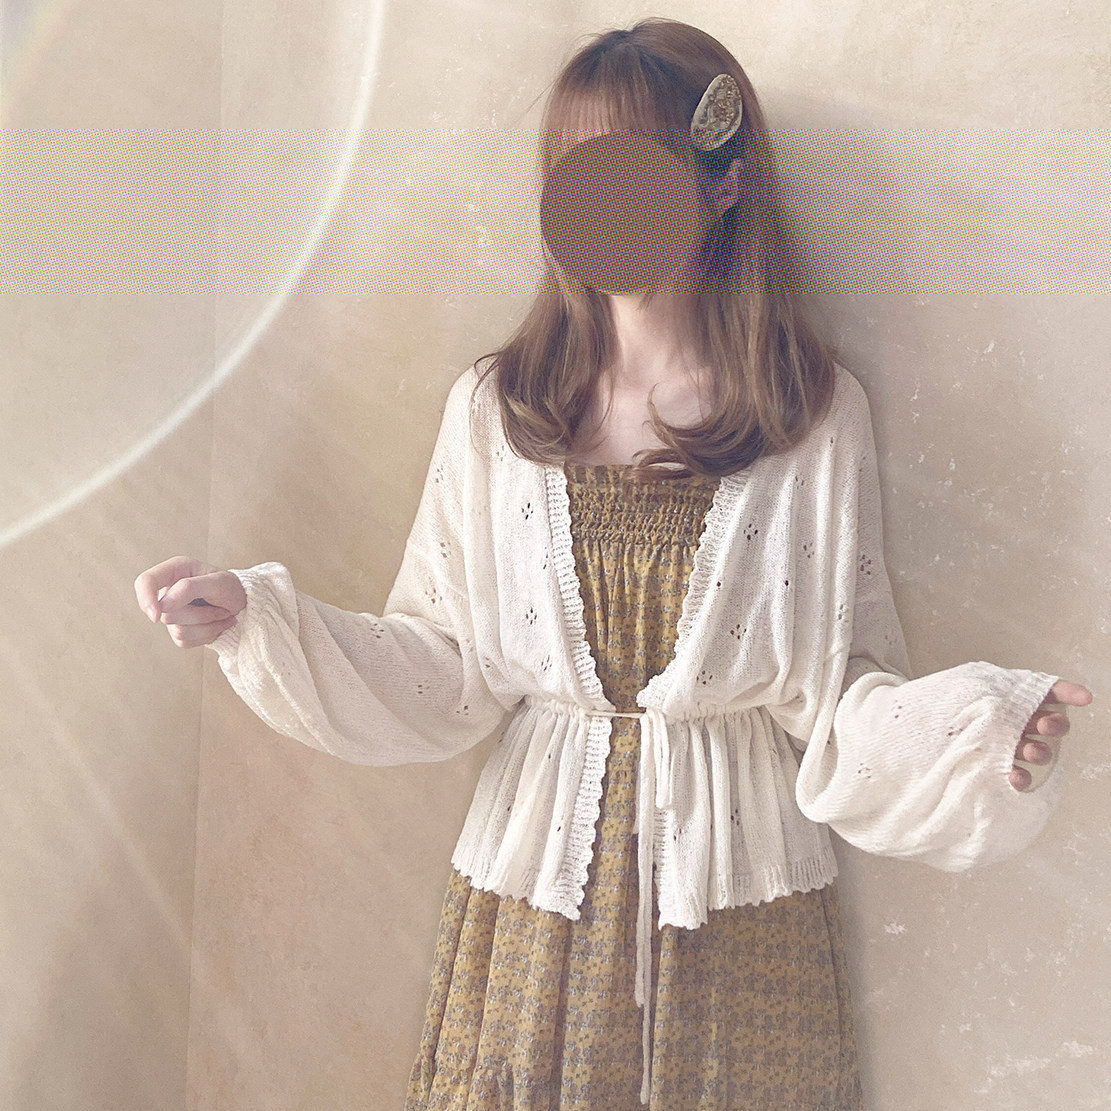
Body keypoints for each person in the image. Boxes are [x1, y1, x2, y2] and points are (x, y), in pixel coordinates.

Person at [135, 18, 1091, 1111]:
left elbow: (837, 698)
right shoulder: (497, 412)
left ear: (722, 184)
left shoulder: (812, 419)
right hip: (535, 902)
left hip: (741, 907)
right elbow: (443, 666)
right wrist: (255, 617)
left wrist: (976, 735)